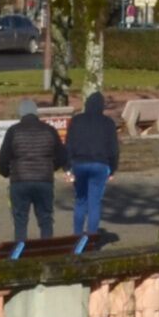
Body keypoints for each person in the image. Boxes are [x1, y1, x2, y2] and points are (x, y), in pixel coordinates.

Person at [0, 97, 61, 245]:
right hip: (44, 180)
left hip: (19, 181)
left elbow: (2, 159)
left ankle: (20, 252)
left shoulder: (14, 131)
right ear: (35, 112)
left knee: (20, 220)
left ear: (21, 113)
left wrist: (7, 173)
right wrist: (51, 168)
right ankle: (47, 251)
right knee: (45, 219)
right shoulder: (49, 130)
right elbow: (62, 155)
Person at [65, 88, 120, 244]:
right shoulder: (108, 123)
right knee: (94, 202)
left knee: (80, 200)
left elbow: (68, 144)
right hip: (100, 164)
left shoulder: (76, 120)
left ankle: (76, 237)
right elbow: (114, 149)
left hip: (79, 164)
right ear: (101, 106)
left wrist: (67, 166)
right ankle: (91, 239)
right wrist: (112, 168)